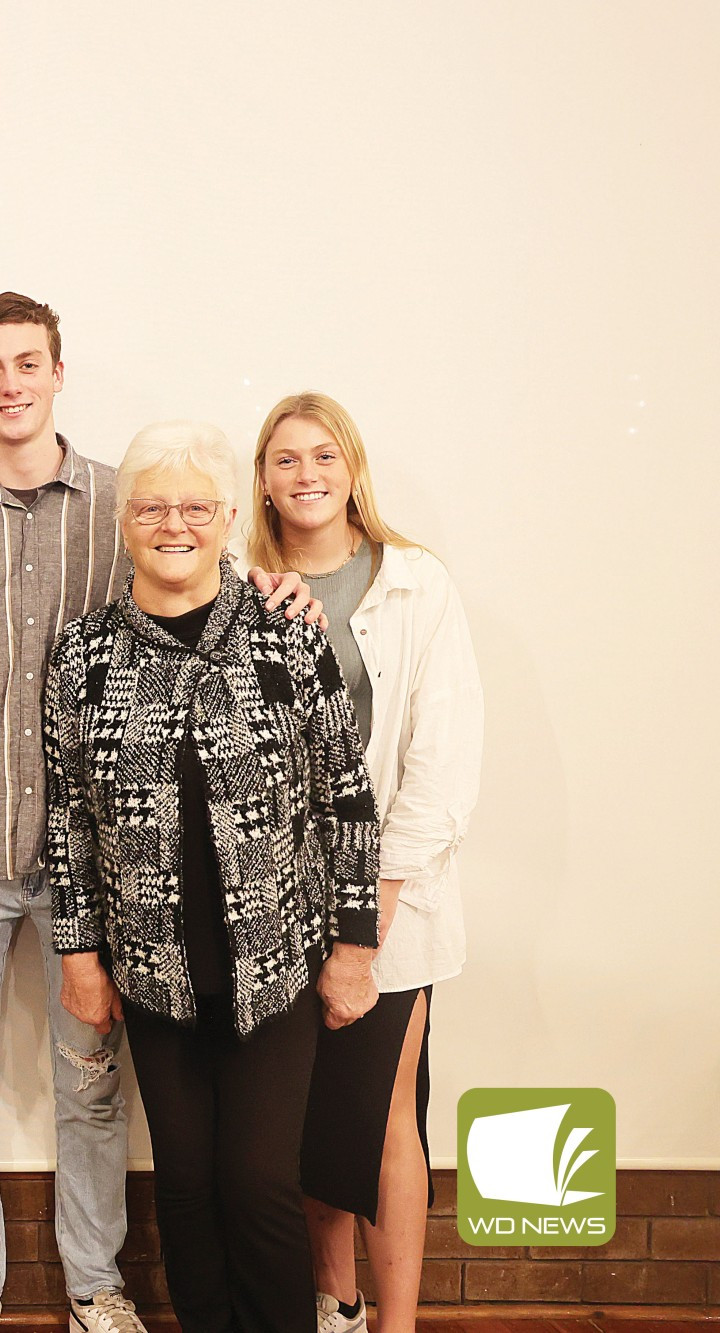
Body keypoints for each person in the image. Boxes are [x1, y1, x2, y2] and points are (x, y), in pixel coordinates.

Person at [0, 294, 315, 1333]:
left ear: (56, 371)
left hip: (111, 870)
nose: (8, 384)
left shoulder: (130, 496)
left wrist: (275, 587)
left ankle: (93, 1284)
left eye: (25, 362)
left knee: (89, 1085)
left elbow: (204, 554)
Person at [45, 420, 381, 1333]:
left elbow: (345, 798)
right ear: (125, 522)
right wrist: (79, 957)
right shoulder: (85, 655)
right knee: (186, 1188)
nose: (175, 524)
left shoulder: (284, 632)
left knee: (261, 1184)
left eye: (196, 506)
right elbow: (68, 818)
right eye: (152, 506)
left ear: (231, 515)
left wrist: (354, 949)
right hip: (154, 972)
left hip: (277, 966)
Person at [247, 393, 483, 1333]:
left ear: (353, 470)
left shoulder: (416, 583)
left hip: (395, 896)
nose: (306, 476)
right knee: (305, 1115)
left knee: (384, 1112)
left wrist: (370, 912)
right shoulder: (240, 583)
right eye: (284, 459)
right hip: (274, 898)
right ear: (261, 480)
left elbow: (442, 763)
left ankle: (397, 1320)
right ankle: (335, 1299)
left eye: (323, 457)